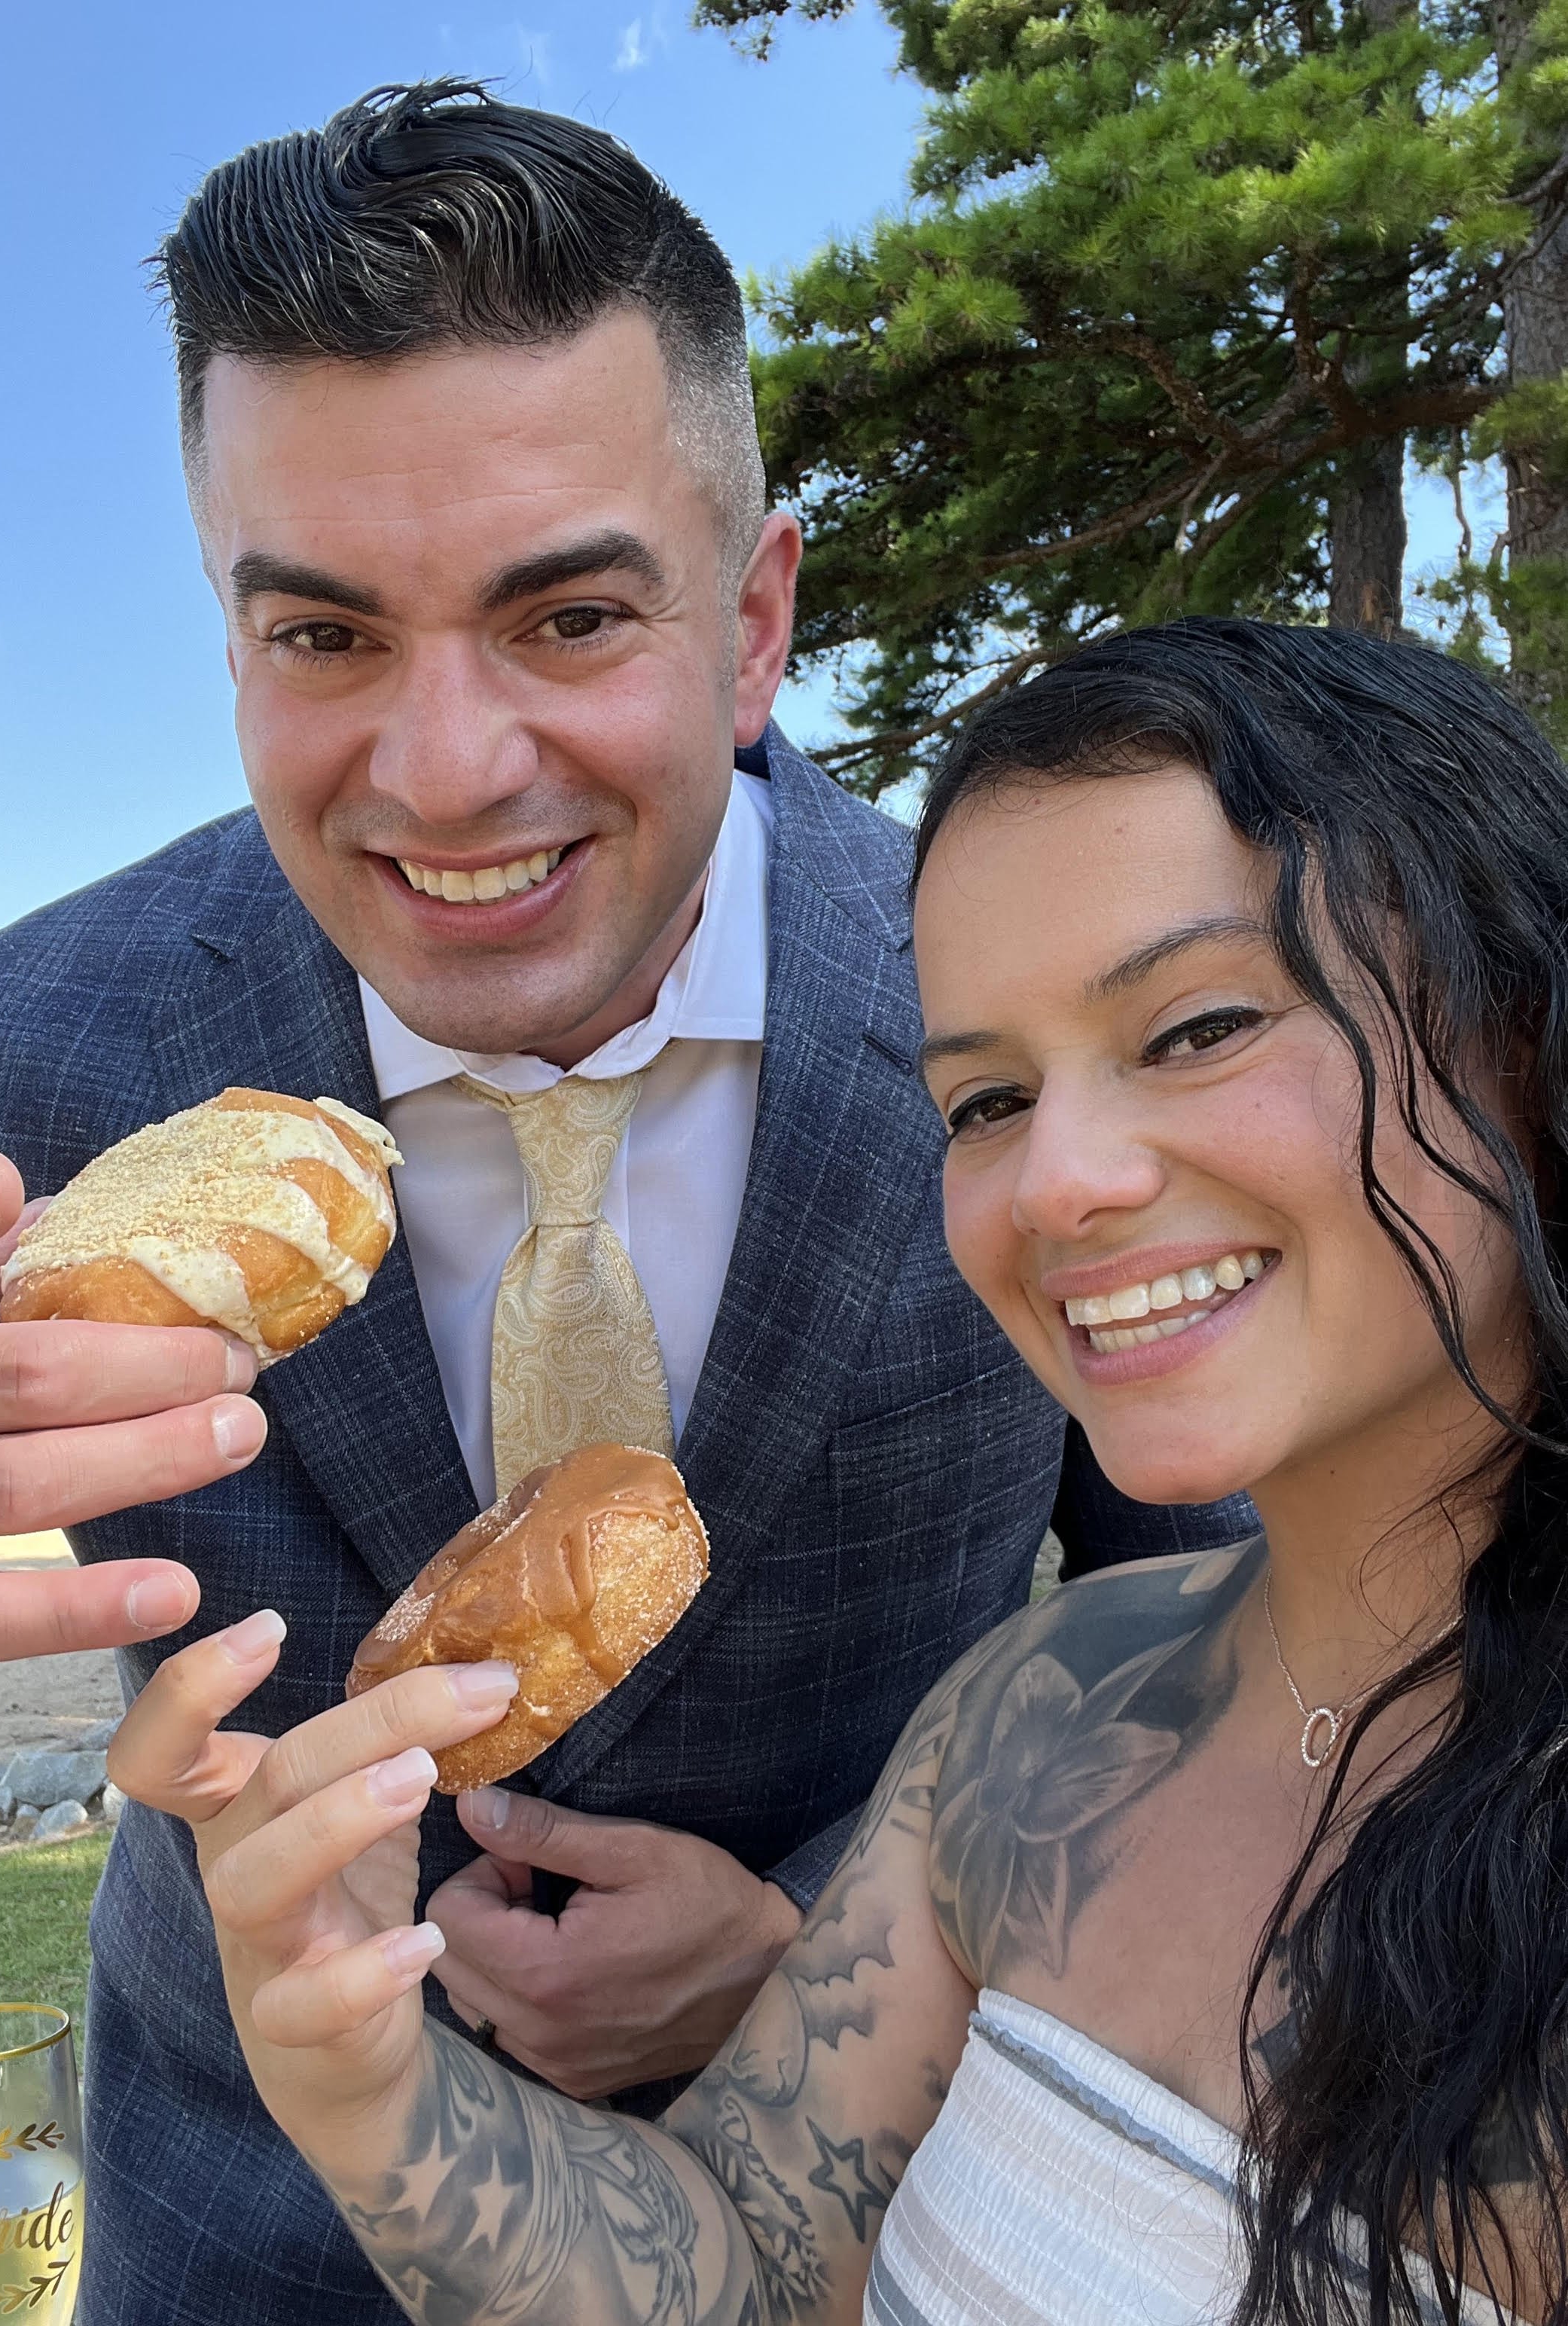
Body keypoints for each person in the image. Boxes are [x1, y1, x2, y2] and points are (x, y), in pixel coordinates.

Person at [0, 84, 1247, 2324]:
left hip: (874, 2233)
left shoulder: (1027, 1009)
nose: (446, 767)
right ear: (229, 636)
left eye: (568, 618)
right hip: (240, 2244)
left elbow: (1245, 1672)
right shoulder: (23, 1057)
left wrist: (822, 1961)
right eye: (322, 640)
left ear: (758, 616)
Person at [117, 616, 1568, 2326]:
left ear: (1521, 1031)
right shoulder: (1038, 1705)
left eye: (1196, 1027)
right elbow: (738, 2258)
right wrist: (363, 2075)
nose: (1060, 1181)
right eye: (986, 1100)